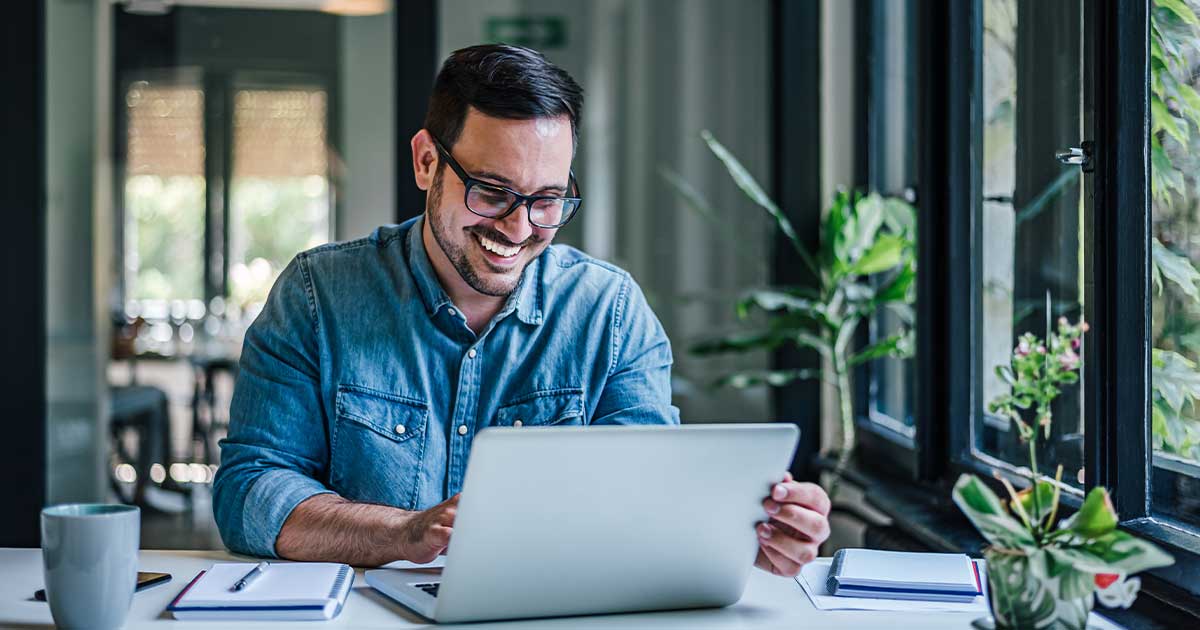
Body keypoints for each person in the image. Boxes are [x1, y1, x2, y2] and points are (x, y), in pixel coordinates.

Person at [212, 44, 829, 577]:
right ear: (428, 162)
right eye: (492, 191)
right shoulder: (318, 296)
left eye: (548, 200)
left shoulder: (609, 315)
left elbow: (643, 505)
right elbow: (250, 492)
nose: (520, 226)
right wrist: (405, 532)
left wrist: (746, 535)